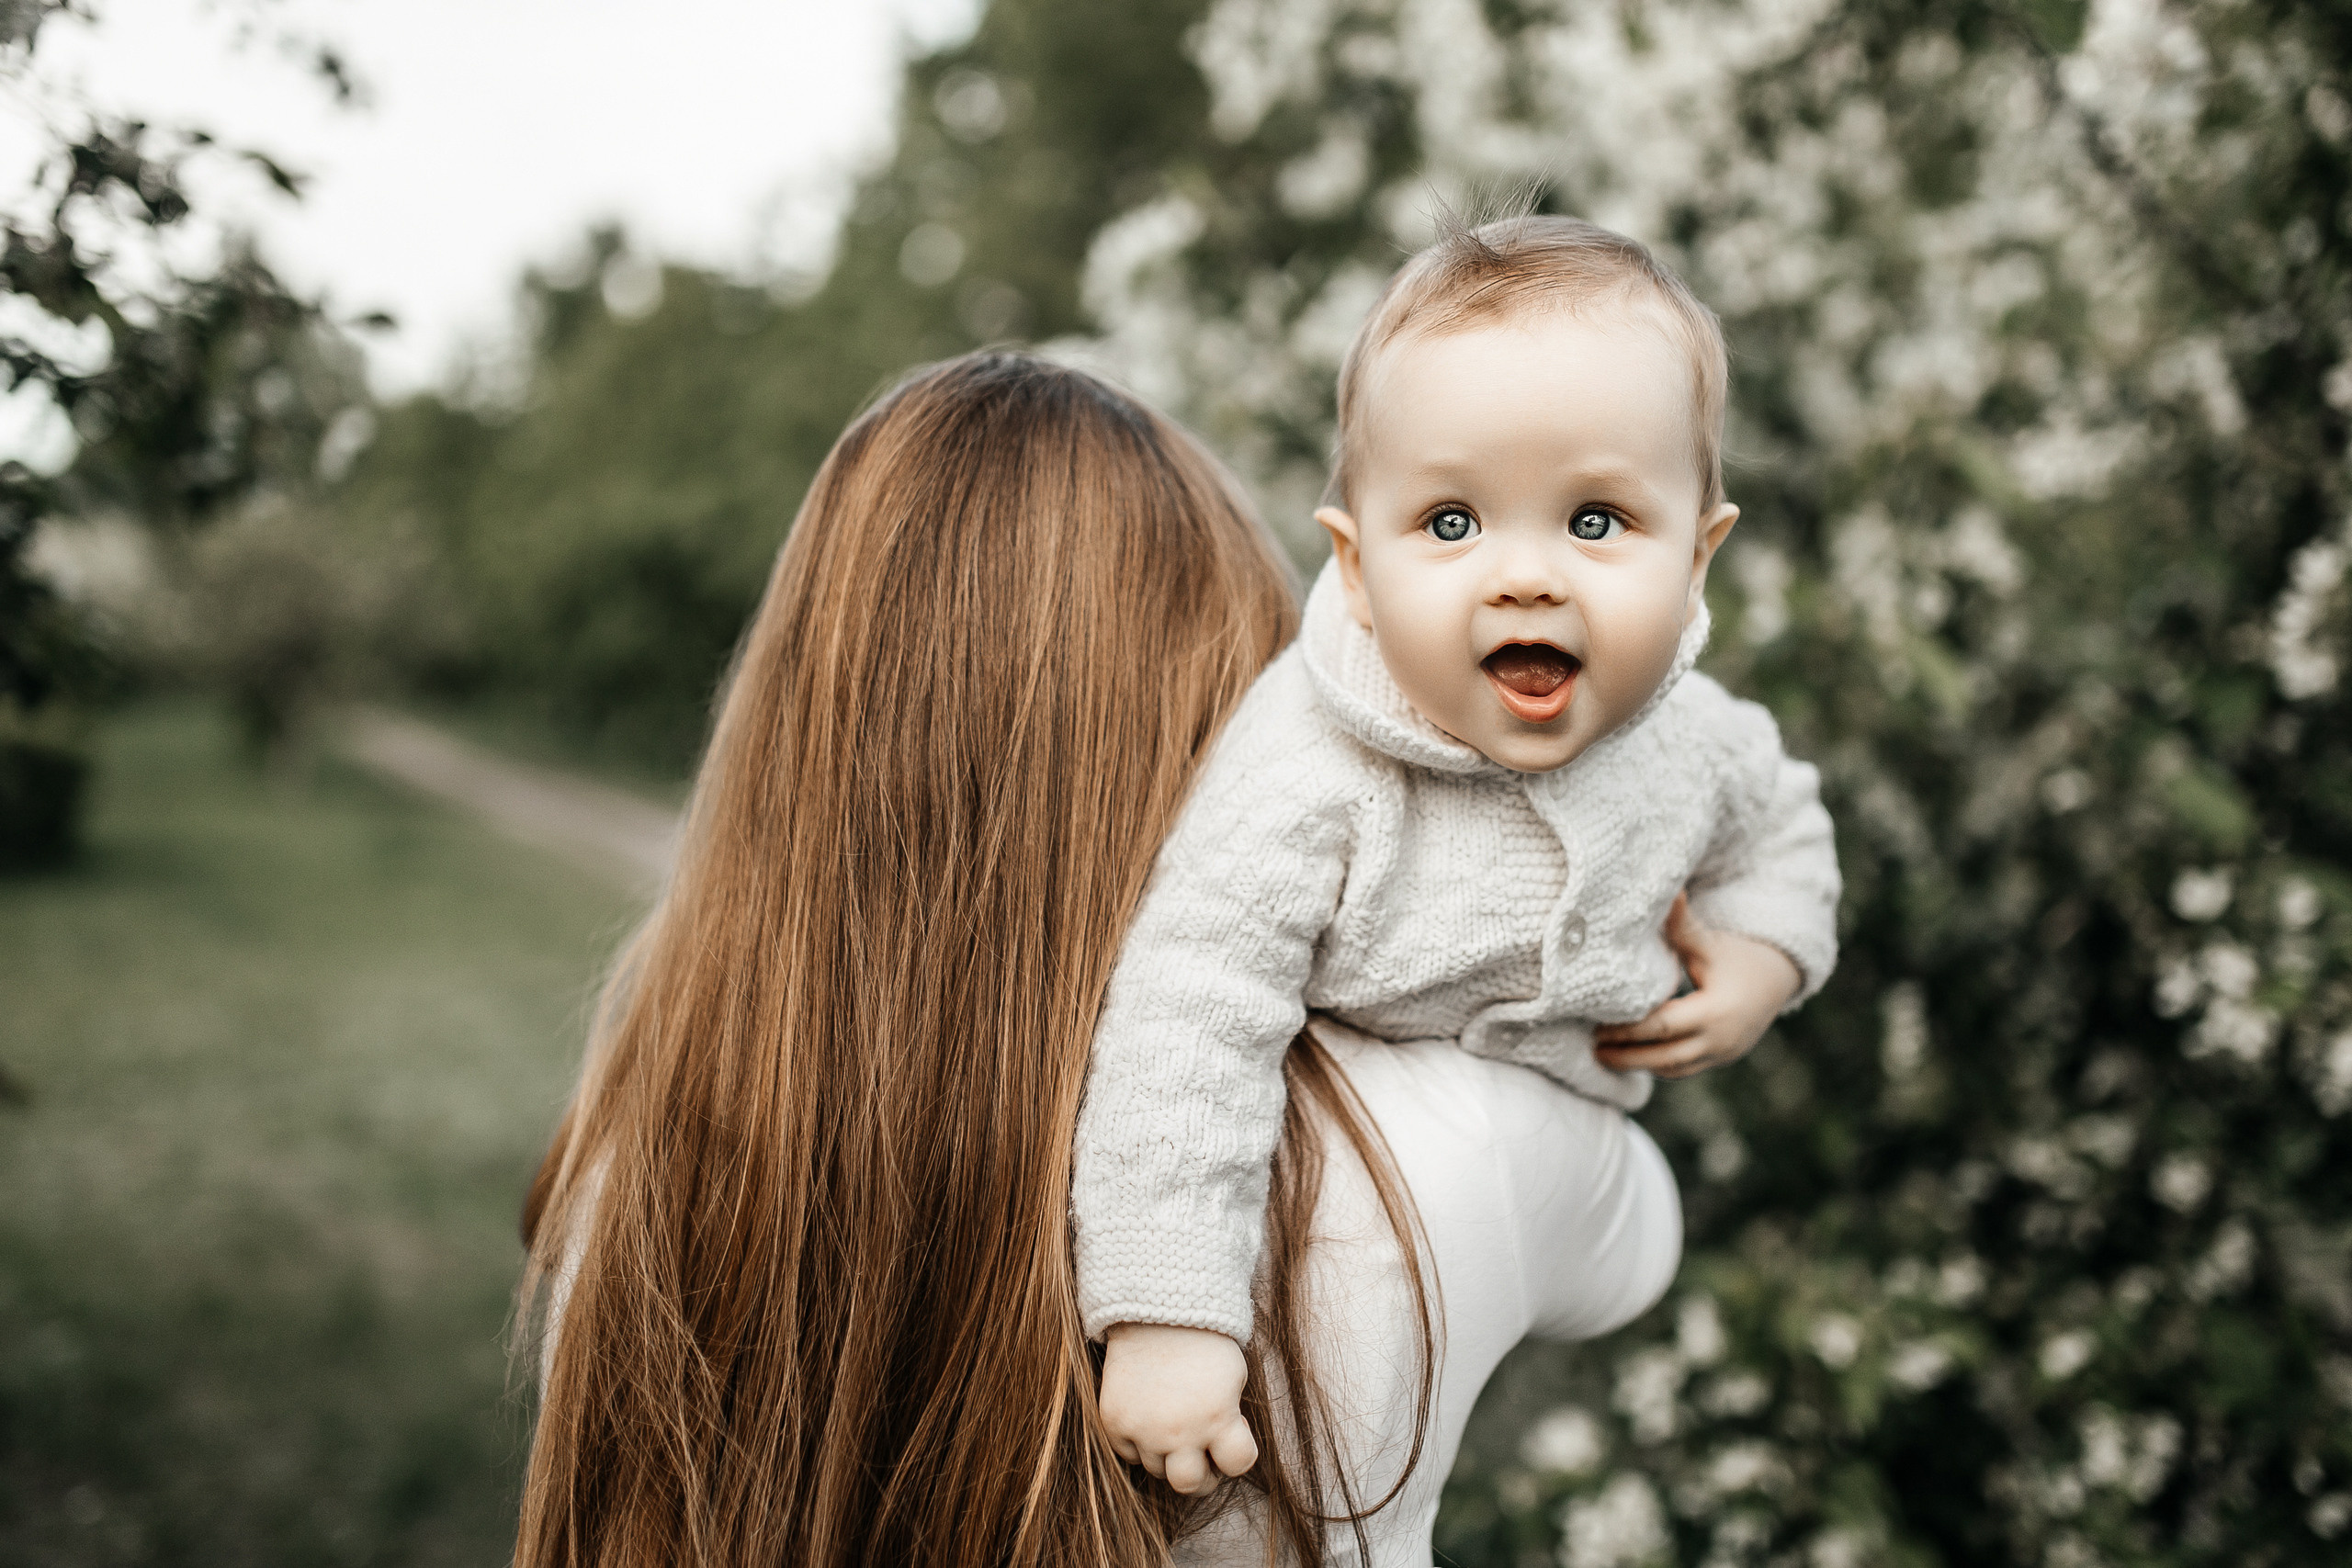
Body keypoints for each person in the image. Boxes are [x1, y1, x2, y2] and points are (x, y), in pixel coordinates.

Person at [1077, 214, 1844, 1559]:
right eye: (1451, 522)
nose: (1527, 575)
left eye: (1597, 520)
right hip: (1341, 1177)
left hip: (1542, 1168)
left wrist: (1762, 961)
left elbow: (1785, 824)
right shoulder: (1309, 767)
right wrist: (1167, 1312)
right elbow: (1188, 1022)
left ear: (1698, 556)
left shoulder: (1695, 737)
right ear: (1357, 568)